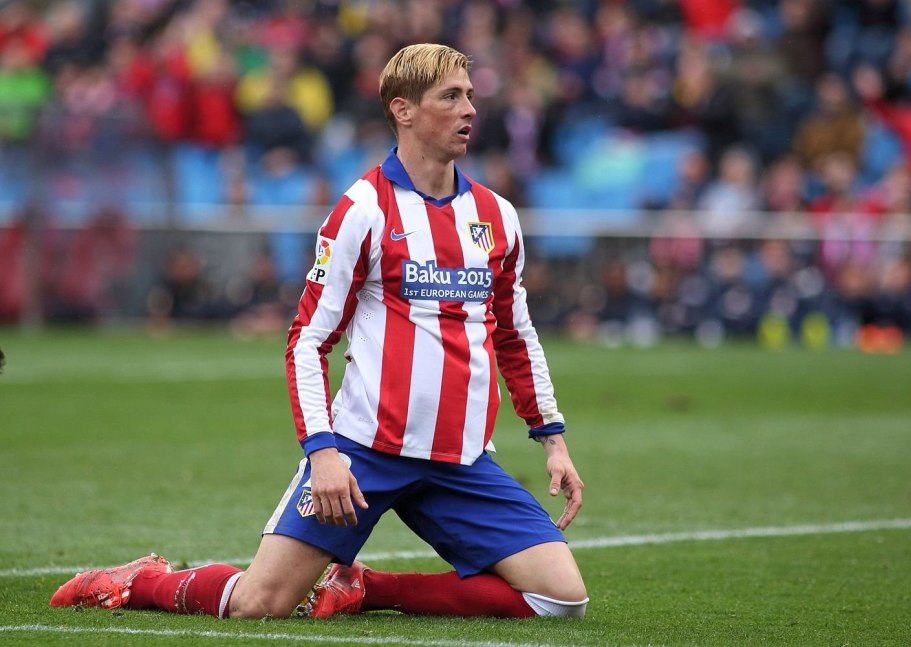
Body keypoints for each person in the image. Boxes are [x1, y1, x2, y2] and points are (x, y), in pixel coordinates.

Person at [50, 43, 589, 621]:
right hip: (363, 454)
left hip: (460, 460)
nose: (469, 111)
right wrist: (324, 452)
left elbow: (515, 333)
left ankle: (365, 587)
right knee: (261, 604)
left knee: (561, 600)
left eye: (470, 97)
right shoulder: (364, 209)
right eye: (451, 97)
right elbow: (307, 341)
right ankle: (143, 581)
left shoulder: (497, 217)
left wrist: (551, 439)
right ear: (403, 110)